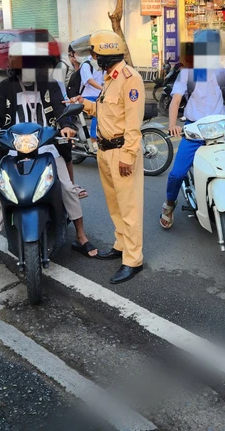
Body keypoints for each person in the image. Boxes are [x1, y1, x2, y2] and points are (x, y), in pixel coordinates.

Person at [0, 34, 98, 272]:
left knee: (68, 188)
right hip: (13, 150)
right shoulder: (5, 87)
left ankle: (80, 235)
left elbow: (61, 109)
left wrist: (67, 126)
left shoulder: (49, 85)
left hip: (46, 147)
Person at [159, 29, 225, 229]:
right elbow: (176, 100)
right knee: (177, 173)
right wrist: (172, 124)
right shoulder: (187, 72)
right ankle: (170, 204)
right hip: (195, 128)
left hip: (222, 126)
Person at [67, 31, 146, 284]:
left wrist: (129, 155)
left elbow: (133, 123)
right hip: (104, 150)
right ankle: (121, 245)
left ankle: (133, 260)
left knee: (129, 208)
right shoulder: (110, 78)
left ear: (107, 54)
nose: (92, 57)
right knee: (115, 205)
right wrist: (83, 103)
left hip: (122, 152)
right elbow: (106, 109)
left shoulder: (129, 78)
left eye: (95, 53)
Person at [79, 50, 104, 151]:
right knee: (98, 113)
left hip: (99, 95)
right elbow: (89, 80)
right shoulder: (86, 65)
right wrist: (103, 89)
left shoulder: (102, 65)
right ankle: (94, 140)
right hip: (87, 96)